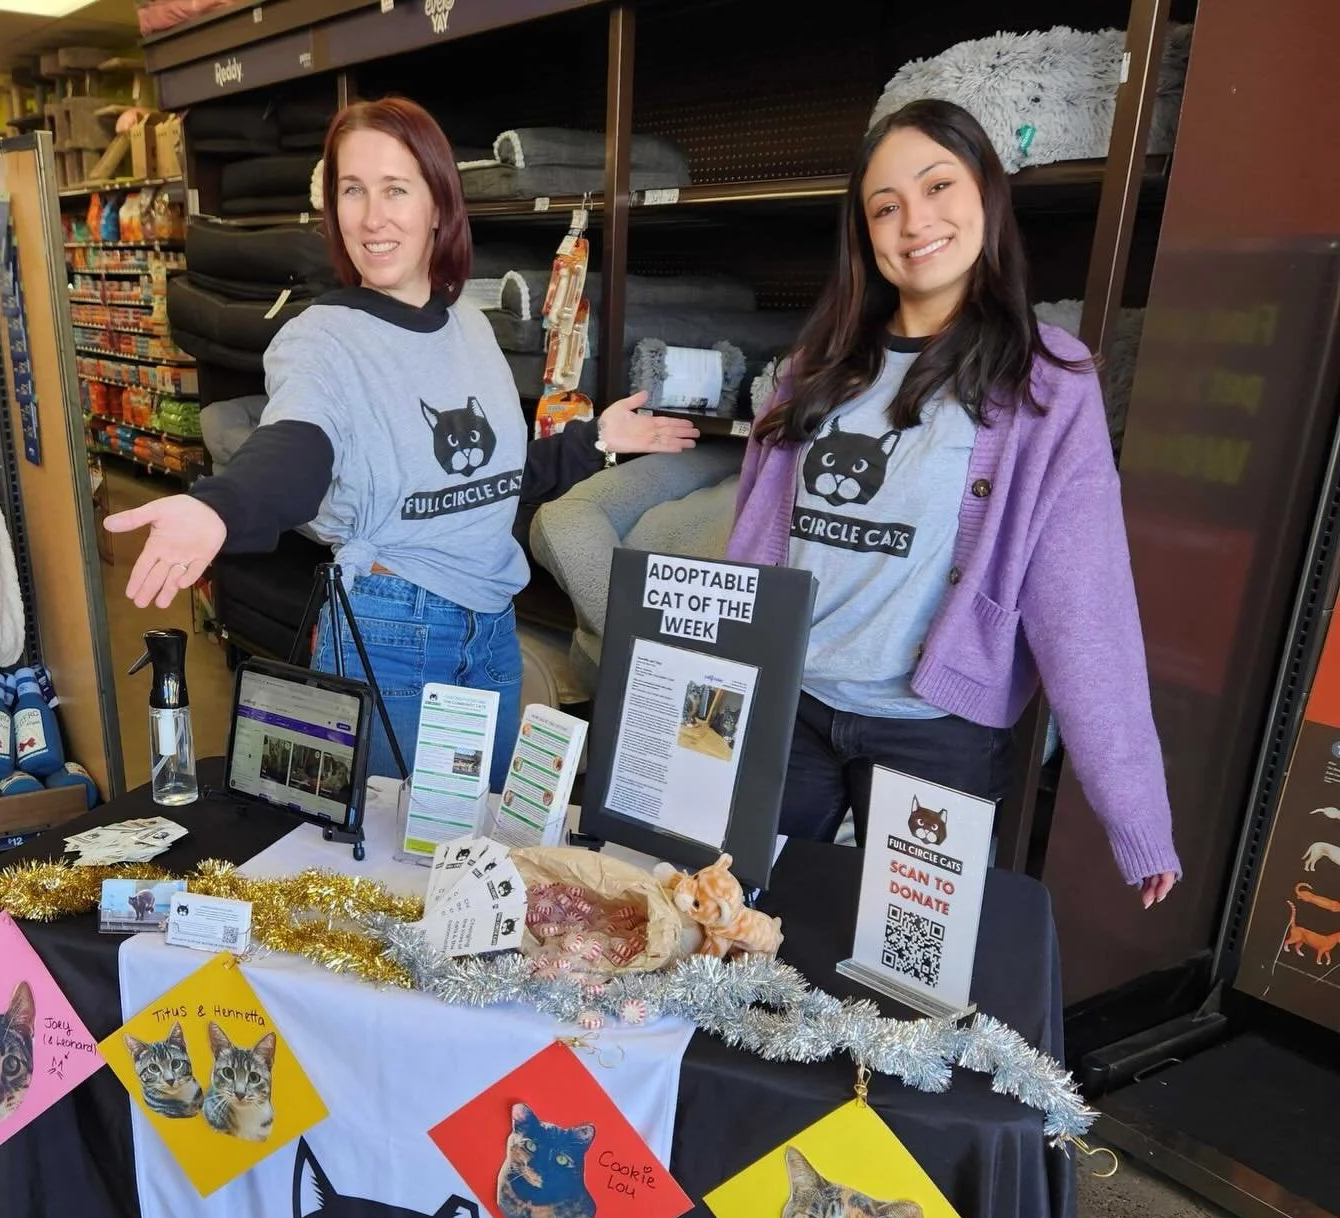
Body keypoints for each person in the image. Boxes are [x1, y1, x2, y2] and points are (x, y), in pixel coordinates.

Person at [105, 97, 698, 790]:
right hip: (393, 631)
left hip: (492, 627)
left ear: (439, 204)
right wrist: (221, 506)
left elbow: (491, 477)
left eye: (395, 189)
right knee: (385, 866)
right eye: (352, 191)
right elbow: (297, 446)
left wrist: (594, 440)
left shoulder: (469, 325)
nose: (372, 216)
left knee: (470, 847)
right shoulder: (322, 338)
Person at [727, 98, 1179, 907]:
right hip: (790, 710)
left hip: (936, 733)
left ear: (987, 196)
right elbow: (752, 546)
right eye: (885, 206)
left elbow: (1087, 602)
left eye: (939, 187)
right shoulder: (815, 367)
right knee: (743, 924)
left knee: (913, 964)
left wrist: (1133, 811)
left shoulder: (1047, 382)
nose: (914, 223)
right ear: (864, 231)